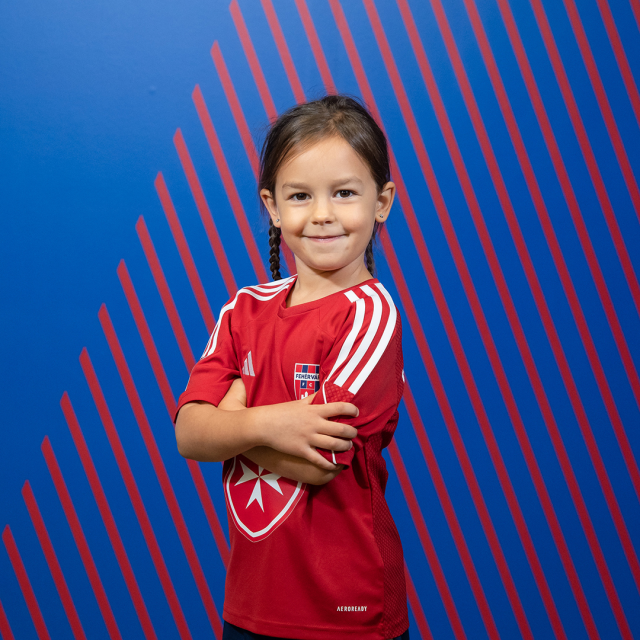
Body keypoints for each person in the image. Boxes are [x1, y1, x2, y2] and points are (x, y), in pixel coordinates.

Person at [175, 94, 409, 640]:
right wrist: (275, 422)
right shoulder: (244, 309)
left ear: (382, 201)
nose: (322, 213)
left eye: (344, 192)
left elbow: (318, 462)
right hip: (251, 602)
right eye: (300, 195)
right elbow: (188, 434)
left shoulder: (369, 315)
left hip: (346, 610)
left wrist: (232, 422)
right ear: (273, 207)